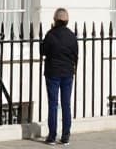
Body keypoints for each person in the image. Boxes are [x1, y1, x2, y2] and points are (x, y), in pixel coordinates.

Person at [40, 8, 78, 145]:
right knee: (66, 104)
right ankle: (66, 136)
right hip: (67, 73)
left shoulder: (50, 35)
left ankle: (52, 136)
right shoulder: (72, 36)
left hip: (53, 73)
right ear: (67, 21)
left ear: (55, 20)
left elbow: (42, 51)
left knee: (53, 104)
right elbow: (75, 55)